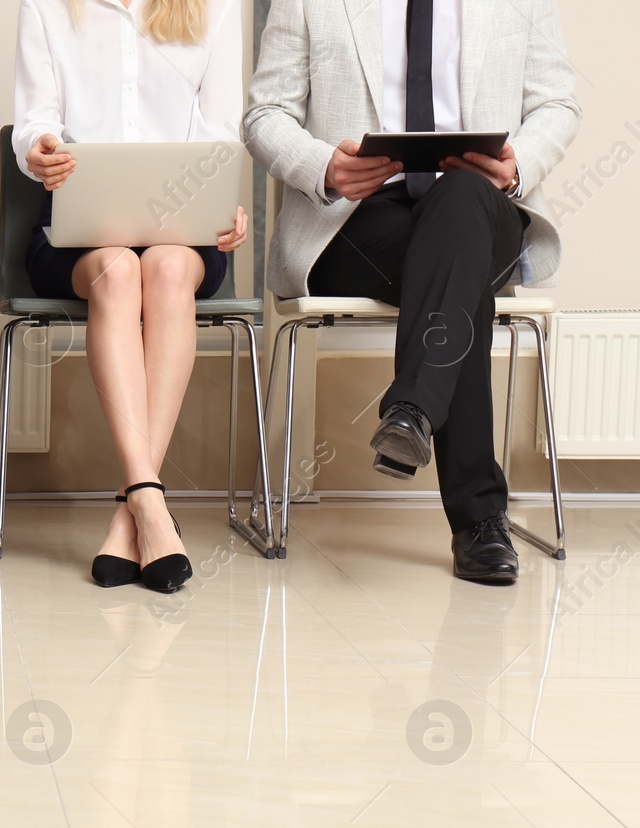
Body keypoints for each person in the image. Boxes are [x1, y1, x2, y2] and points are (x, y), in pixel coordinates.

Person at [246, 0, 580, 583]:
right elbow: (264, 115)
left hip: (482, 208)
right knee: (460, 280)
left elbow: (556, 103)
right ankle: (478, 520)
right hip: (354, 223)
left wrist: (517, 163)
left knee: (464, 203)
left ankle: (413, 409)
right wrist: (323, 165)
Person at [15, 0, 248, 594]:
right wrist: (39, 148)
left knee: (168, 268)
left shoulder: (215, 8)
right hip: (77, 230)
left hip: (184, 231)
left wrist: (225, 205)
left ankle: (134, 506)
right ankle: (150, 503)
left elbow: (221, 136)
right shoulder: (47, 6)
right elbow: (34, 118)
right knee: (118, 273)